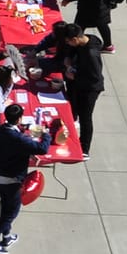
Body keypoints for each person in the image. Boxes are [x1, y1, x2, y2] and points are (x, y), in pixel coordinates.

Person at [0, 104, 57, 254]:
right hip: (11, 180)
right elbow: (42, 149)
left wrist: (22, 130)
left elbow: (14, 144)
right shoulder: (17, 139)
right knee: (12, 213)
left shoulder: (0, 130)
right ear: (19, 118)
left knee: (6, 208)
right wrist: (46, 134)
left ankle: (6, 237)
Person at [44, 20, 104, 155]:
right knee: (73, 107)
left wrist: (75, 76)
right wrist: (69, 59)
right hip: (79, 82)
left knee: (86, 117)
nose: (68, 44)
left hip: (90, 88)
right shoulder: (86, 40)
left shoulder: (91, 54)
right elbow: (73, 50)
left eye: (69, 42)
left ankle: (84, 148)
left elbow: (94, 76)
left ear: (75, 39)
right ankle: (70, 126)